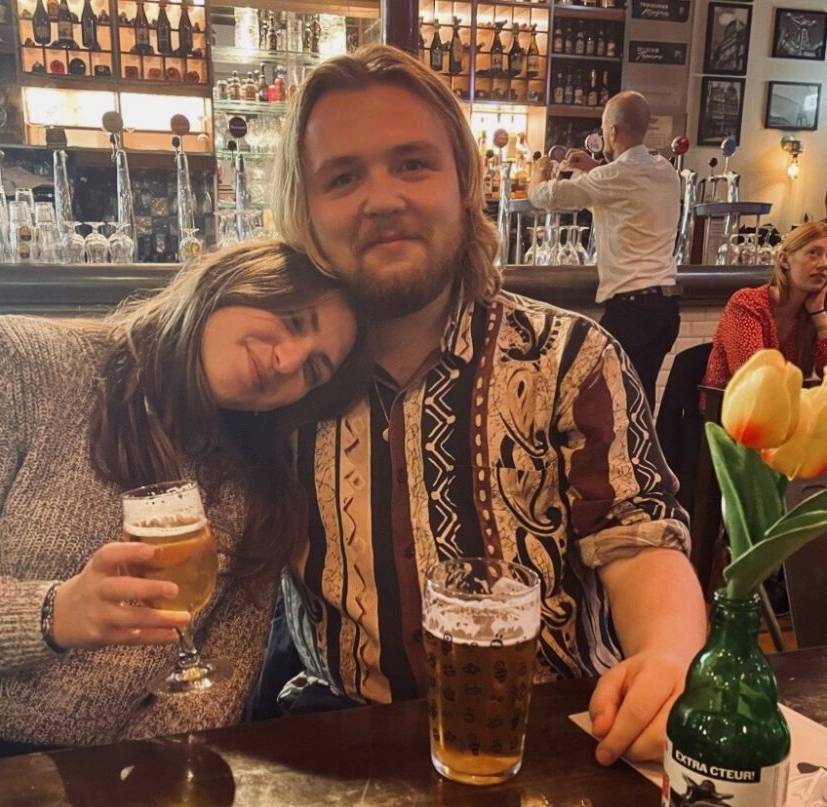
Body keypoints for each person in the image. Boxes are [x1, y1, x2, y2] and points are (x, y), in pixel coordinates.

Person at [267, 45, 706, 766]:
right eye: (342, 177)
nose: (383, 200)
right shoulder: (279, 383)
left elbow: (640, 542)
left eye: (413, 163)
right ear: (305, 212)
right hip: (339, 749)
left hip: (555, 747)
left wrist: (670, 657)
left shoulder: (574, 359)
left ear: (465, 185)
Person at [0, 240, 368, 778]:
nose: (287, 361)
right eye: (293, 320)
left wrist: (128, 789)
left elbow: (212, 686)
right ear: (229, 283)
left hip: (115, 776)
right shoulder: (20, 363)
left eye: (314, 370)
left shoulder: (259, 476)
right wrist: (53, 615)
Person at [527, 92, 681, 408]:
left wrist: (538, 171)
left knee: (608, 404)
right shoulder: (665, 169)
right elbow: (628, 181)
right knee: (638, 400)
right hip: (666, 310)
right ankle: (640, 456)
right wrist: (596, 165)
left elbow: (545, 197)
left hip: (633, 311)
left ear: (611, 131)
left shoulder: (611, 176)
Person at [704, 221, 827, 389]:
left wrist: (820, 319)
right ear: (784, 260)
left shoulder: (814, 311)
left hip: (785, 408)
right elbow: (753, 377)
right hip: (729, 409)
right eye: (813, 253)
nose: (824, 264)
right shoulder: (747, 303)